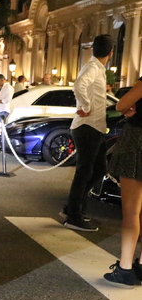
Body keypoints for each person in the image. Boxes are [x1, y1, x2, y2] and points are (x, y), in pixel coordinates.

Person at [61, 34, 113, 232]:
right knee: (84, 172)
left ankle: (73, 208)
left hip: (95, 127)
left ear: (93, 49)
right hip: (87, 126)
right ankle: (73, 215)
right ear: (111, 53)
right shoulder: (92, 67)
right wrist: (87, 105)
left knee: (99, 170)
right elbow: (78, 85)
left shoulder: (97, 68)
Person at [103, 76, 142, 286]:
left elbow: (120, 105)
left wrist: (130, 107)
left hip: (138, 141)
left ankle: (125, 268)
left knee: (131, 210)